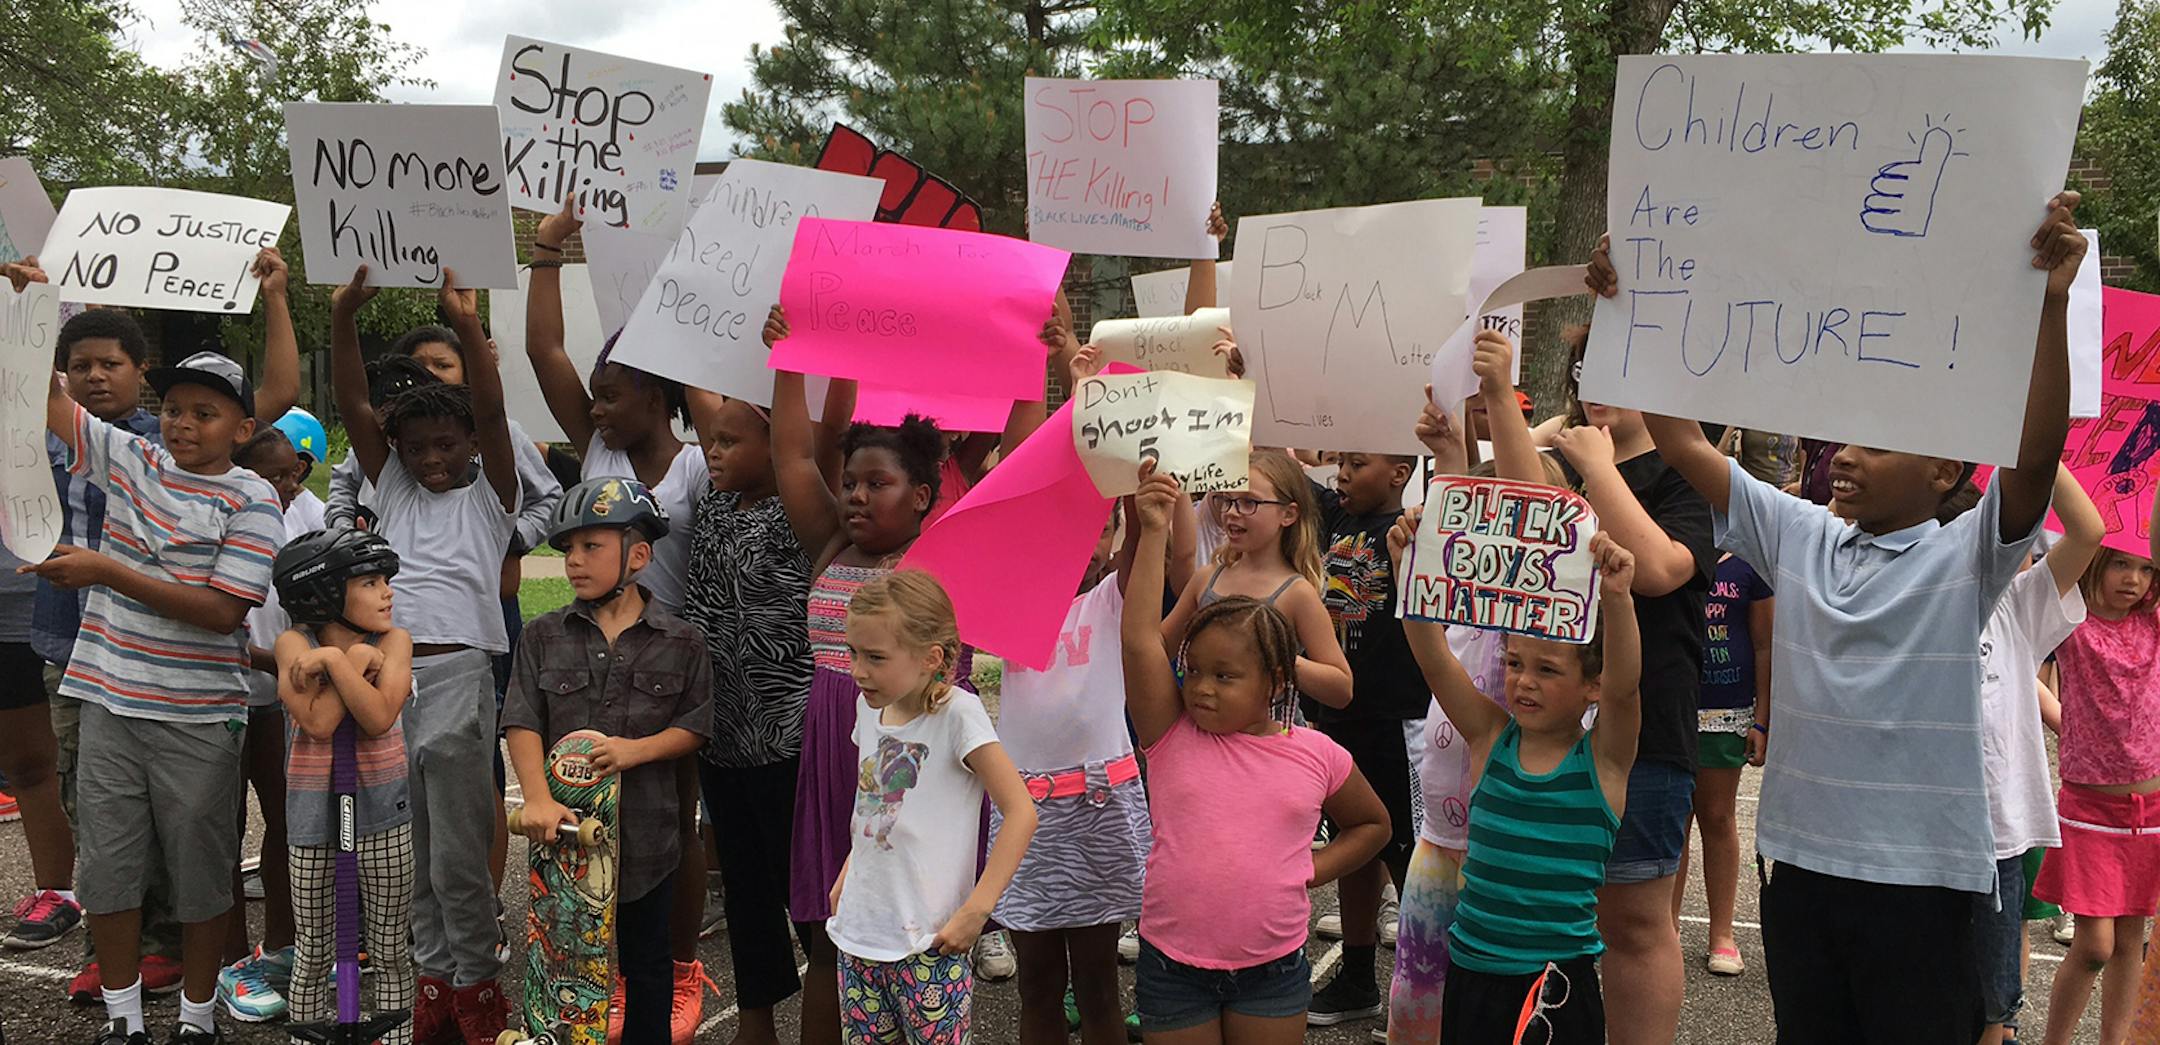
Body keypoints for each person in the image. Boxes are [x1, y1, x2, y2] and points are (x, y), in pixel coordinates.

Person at [1627, 191, 2086, 1041]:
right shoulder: (1799, 535)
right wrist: (1637, 312)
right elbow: (1682, 441)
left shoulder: (1970, 557)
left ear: (1944, 469)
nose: (1844, 458)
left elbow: (2034, 454)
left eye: (1874, 444)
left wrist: (2049, 308)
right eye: (1844, 440)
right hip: (1800, 872)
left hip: (1924, 886)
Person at [6, 255, 297, 1006]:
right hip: (107, 701)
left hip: (200, 715)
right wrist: (32, 306)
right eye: (174, 408)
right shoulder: (131, 455)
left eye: (205, 413)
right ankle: (123, 1013)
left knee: (199, 870)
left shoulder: (253, 497)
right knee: (107, 865)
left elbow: (224, 610)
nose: (183, 423)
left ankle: (198, 1013)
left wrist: (105, 570)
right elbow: (38, 393)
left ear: (242, 425)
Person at [1474, 326, 1715, 1045]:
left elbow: (1663, 567)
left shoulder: (1683, 473)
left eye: (1621, 368)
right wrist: (1495, 390)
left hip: (1642, 730)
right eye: (1588, 368)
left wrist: (1597, 468)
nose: (1597, 384)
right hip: (1549, 729)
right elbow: (1528, 503)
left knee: (1637, 921)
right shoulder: (1578, 465)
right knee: (1560, 911)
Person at [1121, 461, 1390, 1043]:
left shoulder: (1314, 752)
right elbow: (1146, 642)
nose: (1201, 687)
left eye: (1223, 675)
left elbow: (1372, 824)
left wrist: (1307, 871)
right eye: (1194, 672)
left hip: (1272, 969)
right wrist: (1152, 529)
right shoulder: (1171, 736)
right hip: (1173, 965)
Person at [526, 204, 714, 1027]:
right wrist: (547, 249)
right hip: (593, 653)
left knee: (675, 819)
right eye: (594, 397)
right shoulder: (597, 454)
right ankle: (594, 967)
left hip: (669, 655)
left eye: (613, 394)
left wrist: (693, 311)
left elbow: (709, 391)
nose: (597, 408)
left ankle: (674, 965)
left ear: (658, 393)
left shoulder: (701, 461)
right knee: (600, 813)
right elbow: (544, 351)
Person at [331, 264, 522, 1045]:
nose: (432, 458)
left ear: (472, 441)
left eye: (448, 443)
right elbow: (350, 402)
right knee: (408, 856)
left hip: (457, 679)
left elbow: (495, 406)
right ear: (395, 450)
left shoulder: (490, 494)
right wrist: (343, 316)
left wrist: (465, 324)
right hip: (389, 684)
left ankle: (477, 988)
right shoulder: (396, 488)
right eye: (416, 447)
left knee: (458, 857)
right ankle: (432, 984)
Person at [766, 306, 960, 1045]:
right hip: (830, 748)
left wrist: (1035, 367)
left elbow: (1016, 457)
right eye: (850, 481)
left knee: (912, 931)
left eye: (875, 483)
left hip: (909, 758)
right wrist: (787, 358)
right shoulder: (832, 544)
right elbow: (790, 457)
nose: (853, 494)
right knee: (829, 929)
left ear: (921, 494)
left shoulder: (942, 556)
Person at [1398, 510, 1642, 1040]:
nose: (1524, 682)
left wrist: (1619, 599)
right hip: (1470, 970)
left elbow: (1626, 688)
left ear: (1591, 685)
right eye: (1514, 664)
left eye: (1548, 669)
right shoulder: (1491, 737)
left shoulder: (1603, 761)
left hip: (1554, 984)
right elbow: (1435, 661)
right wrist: (1410, 571)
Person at [506, 477, 713, 1045]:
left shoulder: (683, 640)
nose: (573, 561)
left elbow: (695, 726)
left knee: (647, 964)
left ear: (638, 555)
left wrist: (634, 752)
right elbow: (522, 720)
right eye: (567, 549)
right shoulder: (543, 636)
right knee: (561, 964)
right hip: (566, 848)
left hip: (648, 840)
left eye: (590, 547)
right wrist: (538, 801)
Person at [997, 492, 1190, 1045]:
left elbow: (1139, 543)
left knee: (1098, 980)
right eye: (1056, 532)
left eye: (1095, 530)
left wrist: (1135, 493)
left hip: (1099, 809)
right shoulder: (1010, 605)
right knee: (1036, 982)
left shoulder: (1111, 599)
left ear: (1111, 537)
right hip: (1026, 816)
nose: (1079, 545)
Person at [827, 570, 1037, 1045]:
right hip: (860, 935)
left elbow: (1021, 811)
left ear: (931, 658)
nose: (858, 670)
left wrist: (977, 911)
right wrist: (848, 875)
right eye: (853, 653)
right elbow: (874, 805)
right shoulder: (869, 707)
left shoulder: (958, 714)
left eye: (875, 657)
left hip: (929, 941)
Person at [679, 389, 818, 1045]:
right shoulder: (710, 508)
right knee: (743, 888)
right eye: (712, 438)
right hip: (722, 735)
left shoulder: (800, 512)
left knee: (807, 884)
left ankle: (837, 1006)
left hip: (788, 734)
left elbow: (823, 431)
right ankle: (757, 1020)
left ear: (774, 444)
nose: (714, 449)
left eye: (731, 440)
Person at [1961, 468, 2098, 1045]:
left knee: (1996, 996)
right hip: (1920, 835)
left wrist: (2038, 445)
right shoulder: (1917, 597)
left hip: (1996, 831)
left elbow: (2088, 532)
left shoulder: (2017, 606)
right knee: (1925, 981)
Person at [268, 527, 415, 1045]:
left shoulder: (395, 641)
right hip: (313, 818)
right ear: (323, 592)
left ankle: (396, 1037)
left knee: (390, 944)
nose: (387, 592)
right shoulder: (293, 643)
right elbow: (319, 723)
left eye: (385, 581)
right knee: (313, 945)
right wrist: (348, 661)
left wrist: (333, 664)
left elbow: (376, 718)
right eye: (371, 582)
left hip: (382, 812)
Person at [1302, 446, 1428, 1029]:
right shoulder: (1335, 519)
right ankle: (1356, 978)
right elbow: (1284, 461)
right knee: (1356, 840)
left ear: (1400, 473)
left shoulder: (1408, 533)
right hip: (1340, 718)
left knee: (1408, 853)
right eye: (1341, 464)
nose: (1344, 474)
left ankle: (1428, 989)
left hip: (1395, 718)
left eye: (1359, 463)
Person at [211, 426, 323, 1021]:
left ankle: (281, 946)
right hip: (226, 697)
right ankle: (229, 962)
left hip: (282, 700)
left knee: (290, 824)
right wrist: (281, 660)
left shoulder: (301, 520)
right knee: (221, 832)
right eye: (272, 475)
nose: (286, 485)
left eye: (291, 474)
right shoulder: (219, 518)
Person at [2034, 528, 2160, 1044]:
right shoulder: (2071, 620)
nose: (2133, 579)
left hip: (2151, 810)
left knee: (2134, 938)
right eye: (2121, 565)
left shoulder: (2152, 622)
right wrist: (2068, 722)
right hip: (2089, 809)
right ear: (2098, 562)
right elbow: (2026, 675)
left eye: (2146, 568)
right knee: (2094, 946)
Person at [1161, 450, 1355, 714]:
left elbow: (1341, 688)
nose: (1232, 512)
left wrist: (1279, 659)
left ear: (1288, 514)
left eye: (1249, 502)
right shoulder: (1206, 578)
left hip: (1269, 742)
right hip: (1206, 733)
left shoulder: (1297, 593)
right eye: (1227, 501)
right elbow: (1158, 649)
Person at [1672, 548, 1770, 978]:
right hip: (1672, 705)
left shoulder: (1750, 561)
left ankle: (1723, 933)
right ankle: (1665, 926)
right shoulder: (1670, 550)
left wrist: (1762, 720)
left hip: (1726, 710)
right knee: (1672, 819)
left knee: (1717, 816)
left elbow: (1765, 646)